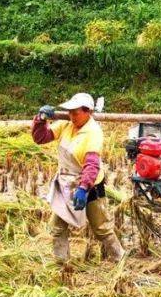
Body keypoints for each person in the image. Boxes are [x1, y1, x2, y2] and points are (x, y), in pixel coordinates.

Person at [32, 93, 125, 265]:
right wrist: (40, 119)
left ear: (87, 112)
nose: (72, 116)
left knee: (101, 228)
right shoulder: (66, 124)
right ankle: (62, 264)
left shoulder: (93, 132)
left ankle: (119, 259)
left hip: (89, 186)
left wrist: (83, 189)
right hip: (67, 183)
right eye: (70, 112)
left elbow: (91, 165)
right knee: (58, 227)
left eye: (76, 112)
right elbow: (41, 138)